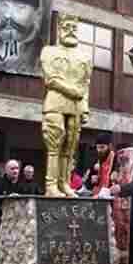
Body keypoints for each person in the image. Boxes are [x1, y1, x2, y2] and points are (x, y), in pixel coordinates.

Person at [40, 14, 92, 197]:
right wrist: (71, 91)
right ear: (59, 29)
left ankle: (64, 183)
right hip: (56, 102)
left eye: (74, 28)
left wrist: (85, 107)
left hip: (76, 106)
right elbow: (51, 79)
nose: (71, 31)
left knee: (70, 147)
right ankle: (51, 185)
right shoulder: (49, 51)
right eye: (67, 27)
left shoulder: (85, 57)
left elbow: (85, 84)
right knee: (54, 143)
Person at [0, 160, 29, 235]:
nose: (15, 171)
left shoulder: (24, 184)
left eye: (17, 168)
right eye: (12, 169)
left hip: (18, 223)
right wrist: (7, 199)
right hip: (1, 222)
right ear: (6, 170)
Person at [90, 133, 116, 197]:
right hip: (97, 194)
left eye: (102, 147)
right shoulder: (96, 159)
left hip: (110, 195)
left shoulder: (116, 159)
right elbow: (88, 181)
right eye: (97, 147)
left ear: (110, 146)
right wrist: (92, 180)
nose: (99, 150)